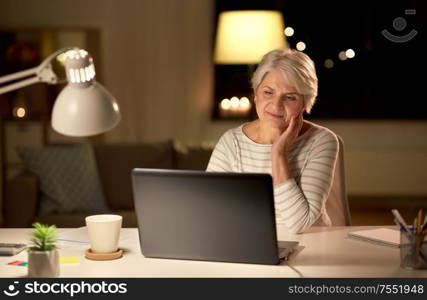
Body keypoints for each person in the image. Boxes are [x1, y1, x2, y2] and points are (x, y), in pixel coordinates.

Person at [206, 48, 340, 233]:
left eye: (290, 97)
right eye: (268, 92)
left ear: (305, 103)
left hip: (309, 247)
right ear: (256, 94)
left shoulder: (322, 141)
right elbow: (209, 209)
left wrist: (278, 153)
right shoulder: (232, 141)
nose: (276, 105)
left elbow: (298, 223)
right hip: (248, 241)